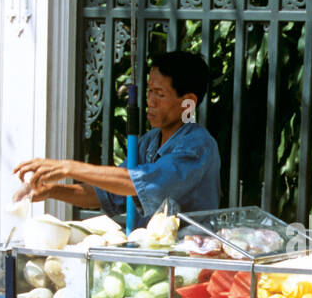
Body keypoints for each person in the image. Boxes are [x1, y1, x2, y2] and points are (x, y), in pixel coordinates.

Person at [14, 50, 220, 223]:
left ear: (188, 102)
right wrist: (51, 191)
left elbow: (139, 183)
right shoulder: (149, 142)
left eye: (160, 94)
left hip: (188, 260)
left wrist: (67, 167)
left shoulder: (197, 145)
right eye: (149, 91)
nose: (151, 101)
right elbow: (106, 193)